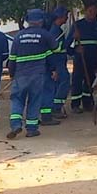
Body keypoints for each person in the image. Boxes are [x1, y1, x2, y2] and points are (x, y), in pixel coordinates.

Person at [7, 8, 58, 139]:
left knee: (17, 99)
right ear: (41, 21)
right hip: (38, 74)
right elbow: (54, 50)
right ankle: (31, 129)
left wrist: (12, 74)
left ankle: (15, 125)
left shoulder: (18, 36)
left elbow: (12, 59)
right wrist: (53, 69)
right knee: (34, 100)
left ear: (28, 21)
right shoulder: (45, 35)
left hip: (20, 74)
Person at [66, 0, 97, 113]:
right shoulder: (78, 25)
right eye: (90, 11)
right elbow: (67, 45)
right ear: (86, 11)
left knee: (90, 80)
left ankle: (88, 103)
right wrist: (75, 49)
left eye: (94, 12)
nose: (92, 14)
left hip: (93, 58)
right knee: (77, 80)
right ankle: (75, 105)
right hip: (80, 58)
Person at [40, 6, 69, 124]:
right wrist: (72, 36)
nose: (67, 17)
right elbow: (57, 48)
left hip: (59, 61)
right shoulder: (55, 31)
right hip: (57, 61)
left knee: (56, 84)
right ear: (60, 17)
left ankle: (54, 106)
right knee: (64, 81)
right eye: (65, 15)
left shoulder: (57, 30)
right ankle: (56, 107)